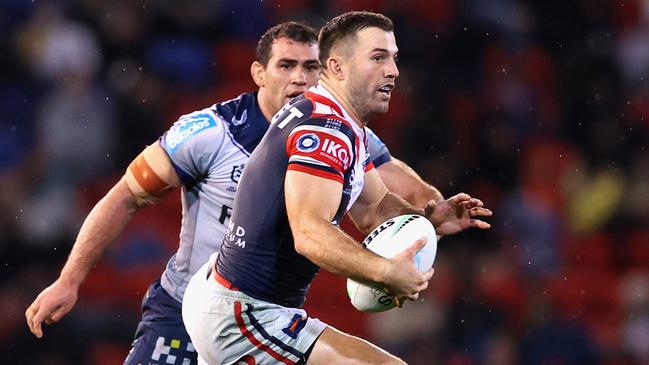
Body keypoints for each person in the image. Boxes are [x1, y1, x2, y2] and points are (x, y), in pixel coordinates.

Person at [24, 21, 448, 365]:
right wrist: (69, 280)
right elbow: (125, 197)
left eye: (310, 67)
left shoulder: (343, 132)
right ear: (259, 73)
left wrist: (430, 213)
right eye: (286, 65)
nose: (300, 77)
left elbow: (383, 195)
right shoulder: (211, 132)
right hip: (200, 310)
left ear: (327, 71)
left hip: (265, 309)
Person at [182, 11, 492, 365]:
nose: (393, 71)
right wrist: (387, 272)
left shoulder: (338, 120)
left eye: (393, 58)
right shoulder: (327, 130)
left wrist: (429, 220)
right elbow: (310, 232)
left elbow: (374, 209)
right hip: (244, 314)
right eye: (378, 57)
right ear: (337, 67)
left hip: (235, 299)